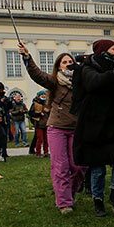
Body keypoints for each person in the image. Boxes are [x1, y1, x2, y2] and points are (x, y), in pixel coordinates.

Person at [20, 45, 86, 214]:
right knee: (61, 166)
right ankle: (64, 203)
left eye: (70, 61)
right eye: (64, 62)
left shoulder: (82, 81)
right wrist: (27, 57)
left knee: (78, 167)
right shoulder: (55, 82)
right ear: (59, 66)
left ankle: (69, 194)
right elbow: (37, 75)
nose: (68, 64)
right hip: (57, 128)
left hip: (76, 128)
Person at [72, 40, 114, 217]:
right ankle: (98, 200)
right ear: (103, 51)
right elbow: (95, 82)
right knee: (98, 167)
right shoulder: (87, 67)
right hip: (94, 124)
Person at [27, 90, 50, 157]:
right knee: (39, 139)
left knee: (46, 139)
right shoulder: (35, 103)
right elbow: (30, 113)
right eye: (42, 95)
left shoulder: (46, 104)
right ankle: (38, 153)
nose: (43, 96)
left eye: (44, 94)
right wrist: (39, 114)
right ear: (39, 96)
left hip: (46, 123)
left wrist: (48, 111)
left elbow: (50, 113)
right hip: (38, 124)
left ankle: (46, 152)